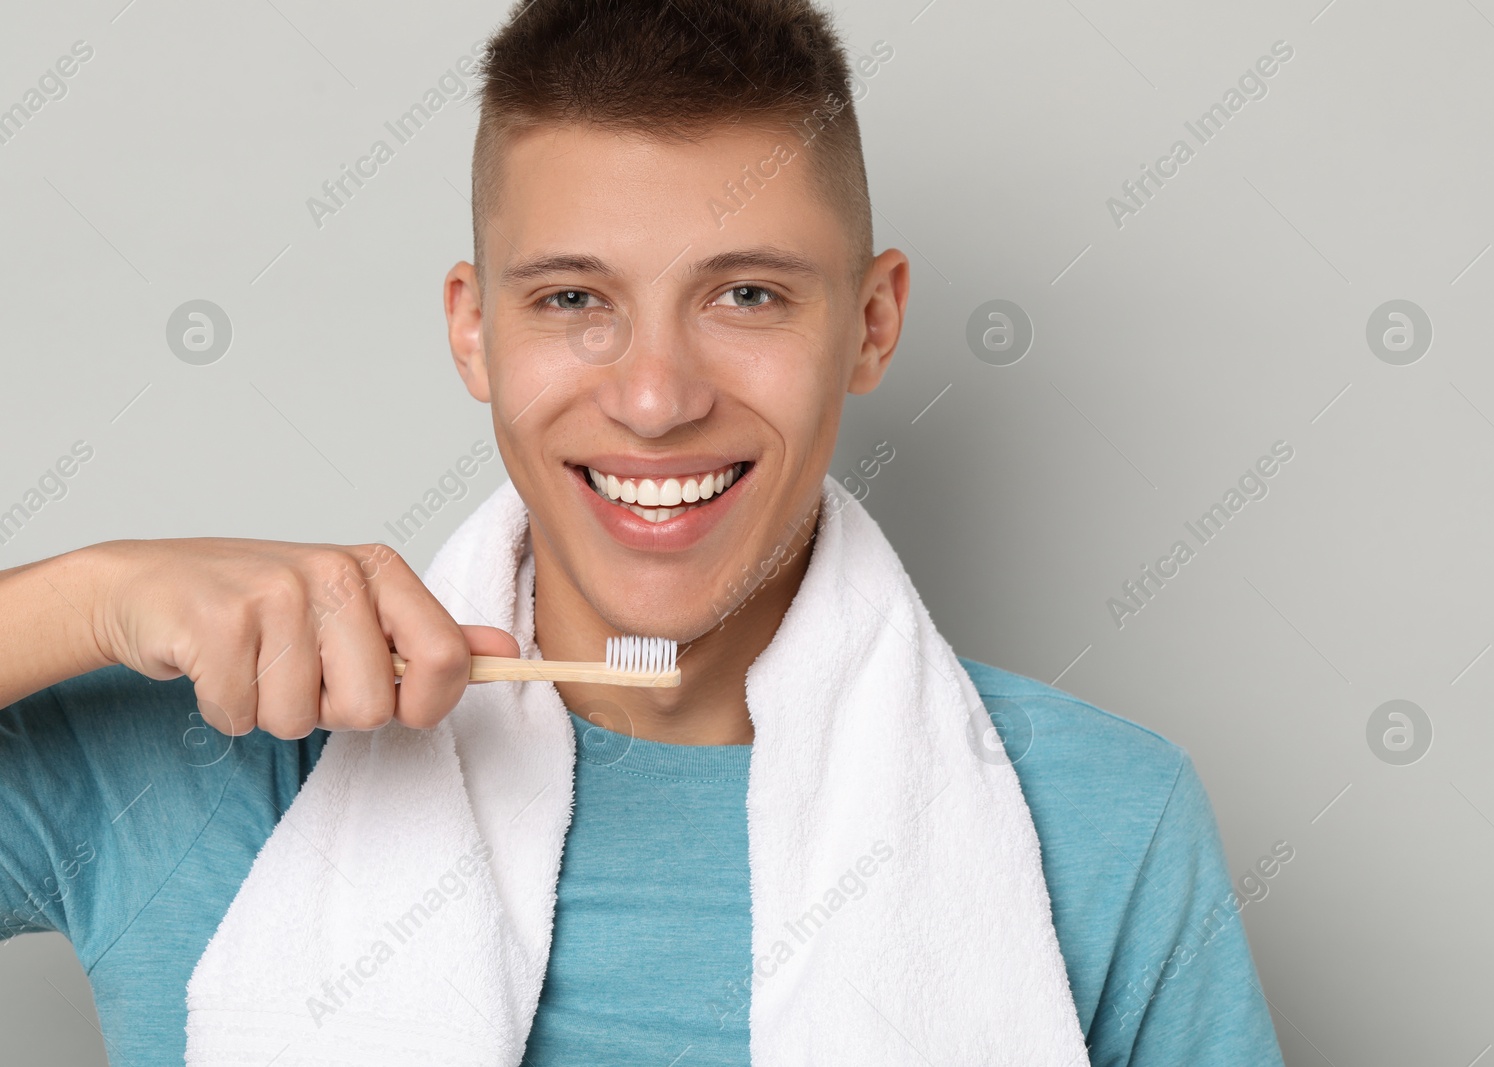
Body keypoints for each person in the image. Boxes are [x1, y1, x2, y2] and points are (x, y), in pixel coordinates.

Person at [0, 0, 1287, 1063]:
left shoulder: (1099, 818)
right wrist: (91, 595)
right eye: (572, 297)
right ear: (473, 329)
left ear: (873, 321)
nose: (656, 398)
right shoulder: (200, 752)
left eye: (745, 293)